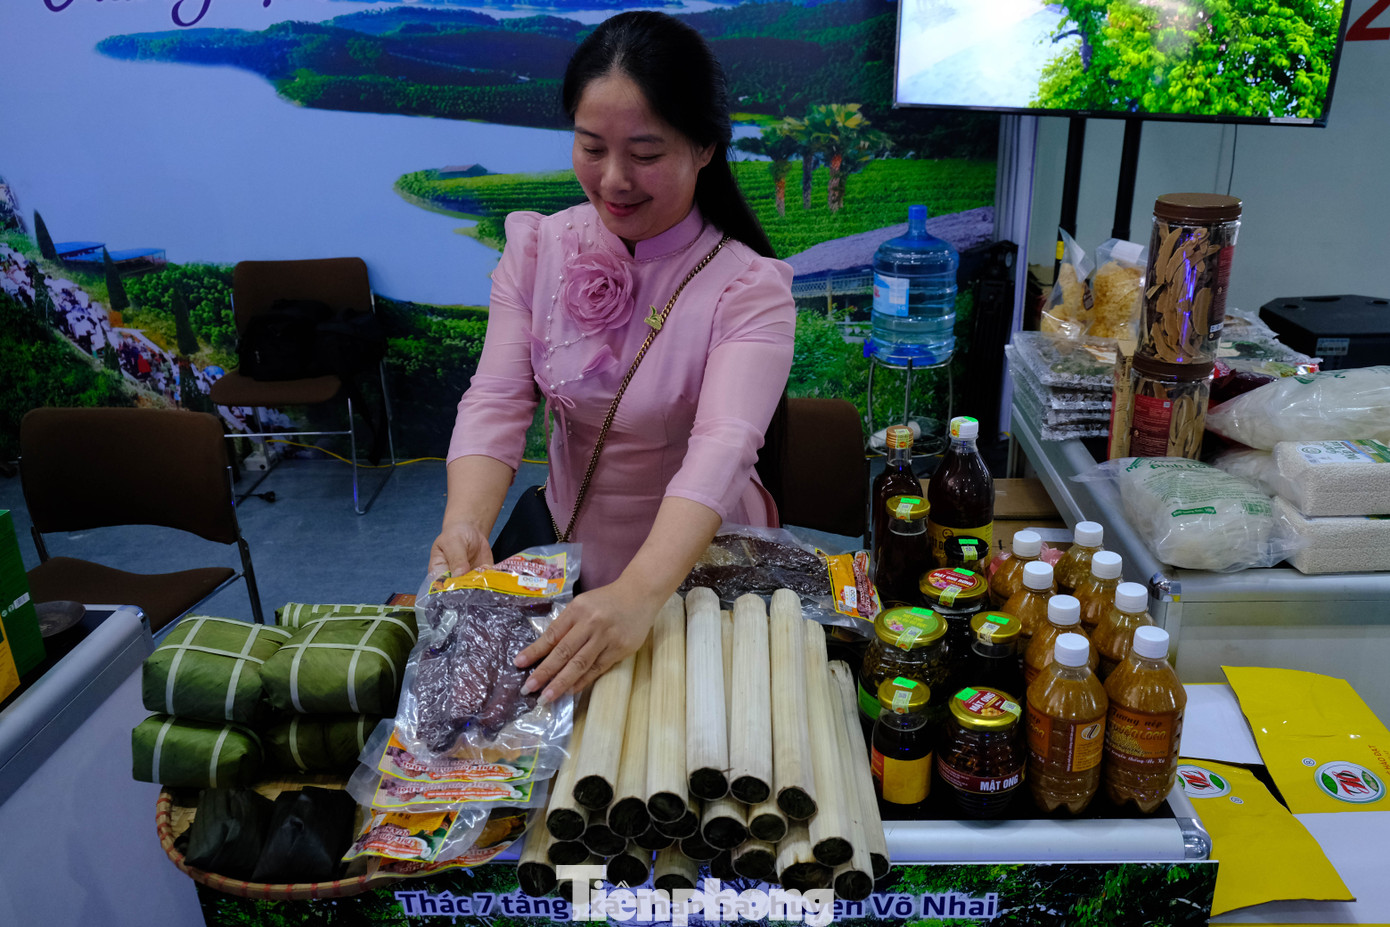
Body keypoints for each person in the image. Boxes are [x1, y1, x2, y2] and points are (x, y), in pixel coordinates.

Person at [430, 11, 795, 704]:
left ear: (705, 147)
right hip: (566, 549)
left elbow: (723, 446)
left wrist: (638, 594)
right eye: (591, 147)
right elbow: (498, 398)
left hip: (698, 563)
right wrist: (466, 524)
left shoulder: (748, 289)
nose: (615, 179)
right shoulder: (538, 248)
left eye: (646, 154)